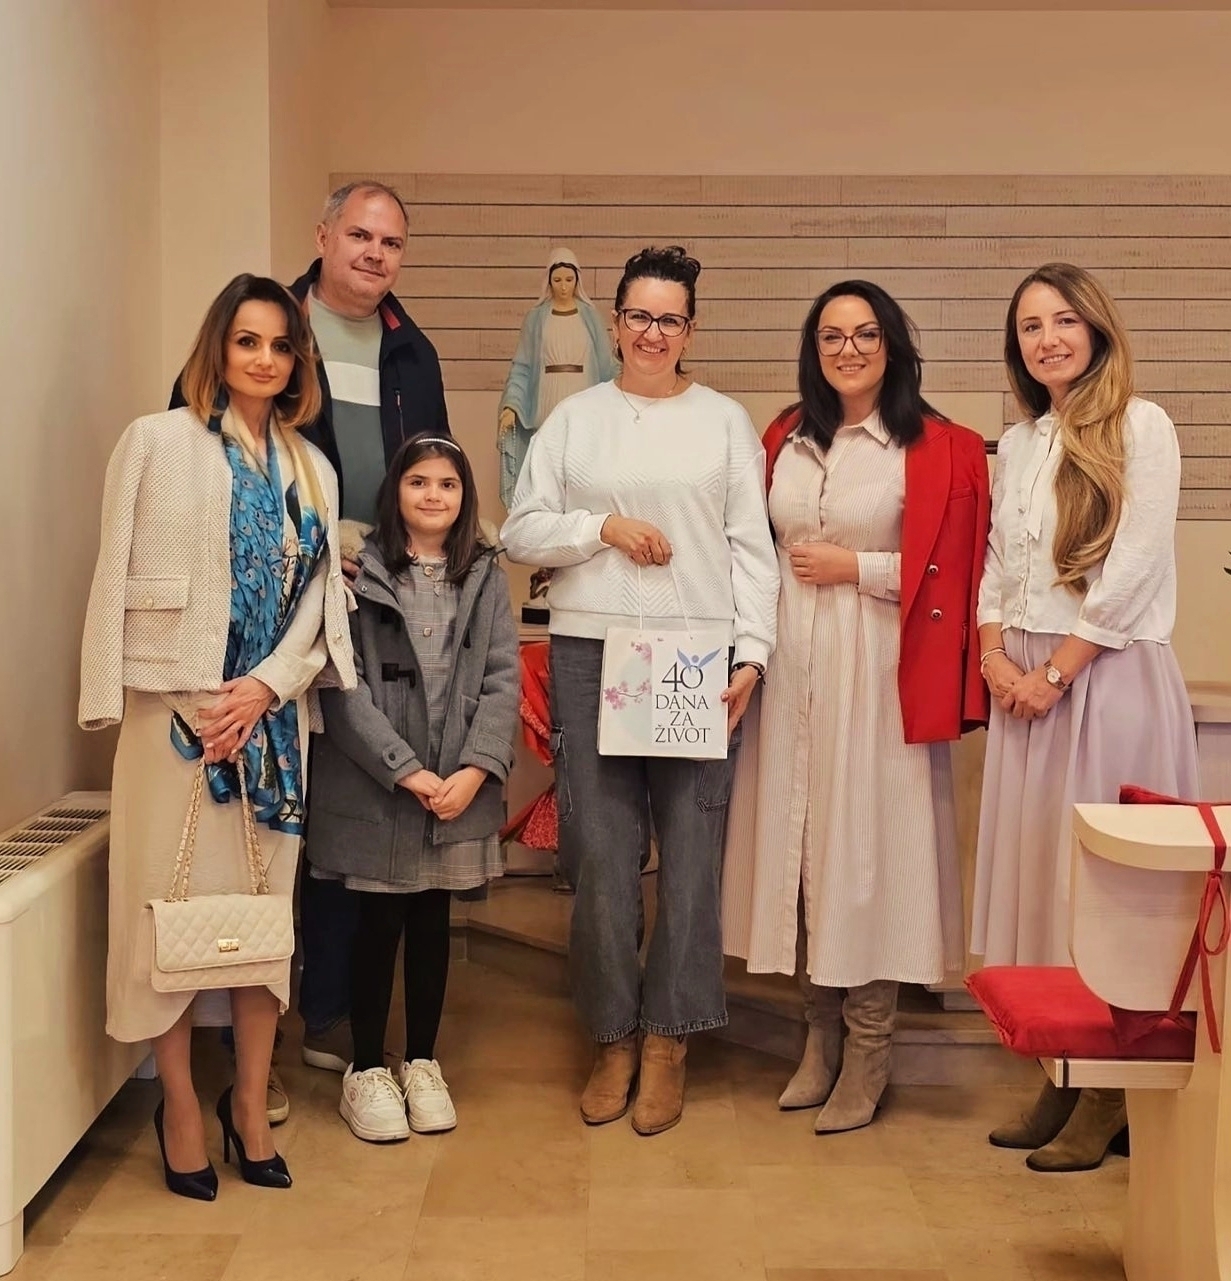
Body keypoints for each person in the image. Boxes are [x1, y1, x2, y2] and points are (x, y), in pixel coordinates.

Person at [172, 181, 451, 1112]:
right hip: (266, 619)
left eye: (392, 242)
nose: (375, 253)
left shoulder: (413, 349)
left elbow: (433, 464)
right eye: (360, 234)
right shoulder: (271, 327)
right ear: (323, 234)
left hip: (378, 606)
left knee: (339, 814)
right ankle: (246, 1048)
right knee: (256, 831)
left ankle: (326, 1012)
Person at [79, 275, 355, 1198]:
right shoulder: (154, 441)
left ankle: (247, 1102)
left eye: (281, 345)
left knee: (262, 928)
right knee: (162, 917)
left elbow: (321, 601)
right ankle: (180, 1108)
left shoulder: (313, 468)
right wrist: (137, 694)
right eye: (247, 341)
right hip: (177, 720)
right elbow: (112, 569)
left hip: (270, 720)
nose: (265, 359)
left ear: (298, 362)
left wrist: (266, 686)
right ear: (217, 348)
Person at [501, 245, 779, 1136]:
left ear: (689, 331)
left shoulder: (724, 423)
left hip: (695, 655)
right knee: (599, 855)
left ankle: (669, 1037)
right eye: (639, 316)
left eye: (671, 319)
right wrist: (602, 528)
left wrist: (751, 655)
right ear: (614, 323)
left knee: (692, 855)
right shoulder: (573, 420)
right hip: (593, 651)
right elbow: (520, 531)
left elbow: (752, 550)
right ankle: (613, 1034)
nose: (653, 332)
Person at [722, 281, 990, 1134]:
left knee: (866, 855)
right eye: (831, 335)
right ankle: (819, 1036)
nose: (848, 349)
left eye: (865, 334)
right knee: (803, 850)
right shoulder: (784, 436)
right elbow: (749, 549)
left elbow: (958, 568)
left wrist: (859, 569)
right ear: (813, 349)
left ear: (892, 345)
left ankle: (869, 1048)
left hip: (878, 675)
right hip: (790, 675)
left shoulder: (937, 445)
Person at [972, 262, 1200, 1172]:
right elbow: (997, 563)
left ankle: (1113, 1089)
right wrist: (994, 657)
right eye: (1030, 326)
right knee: (1045, 880)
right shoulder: (1019, 440)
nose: (1047, 339)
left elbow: (1132, 567)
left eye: (1063, 320)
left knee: (1105, 891)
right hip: (1027, 685)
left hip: (1101, 679)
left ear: (1096, 329)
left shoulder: (1141, 426)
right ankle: (1065, 1070)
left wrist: (1054, 673)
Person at [306, 434, 518, 1142]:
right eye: (418, 482)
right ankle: (367, 1067)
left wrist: (474, 769)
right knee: (376, 924)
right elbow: (340, 682)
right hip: (380, 782)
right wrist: (404, 768)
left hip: (457, 779)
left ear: (465, 497)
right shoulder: (355, 570)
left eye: (447, 484)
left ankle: (422, 1061)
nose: (433, 495)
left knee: (433, 922)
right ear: (395, 490)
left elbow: (502, 677)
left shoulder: (484, 573)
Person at [497, 247, 618, 510]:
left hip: (583, 392)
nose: (563, 286)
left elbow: (607, 364)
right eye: (557, 280)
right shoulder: (536, 318)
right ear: (549, 281)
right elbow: (523, 366)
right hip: (548, 396)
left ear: (577, 280)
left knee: (582, 461)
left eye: (569, 279)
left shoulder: (590, 317)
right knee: (548, 462)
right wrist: (512, 405)